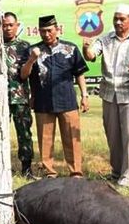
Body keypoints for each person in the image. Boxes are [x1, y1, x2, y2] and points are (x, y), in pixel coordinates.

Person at [82, 5, 129, 187]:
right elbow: (91, 56)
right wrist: (86, 47)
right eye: (116, 18)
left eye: (122, 19)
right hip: (109, 94)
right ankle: (116, 171)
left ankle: (127, 177)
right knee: (113, 136)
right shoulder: (105, 40)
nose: (118, 22)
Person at [20, 15, 89, 178]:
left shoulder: (70, 48)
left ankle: (76, 172)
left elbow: (79, 73)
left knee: (72, 137)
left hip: (67, 100)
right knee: (45, 139)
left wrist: (85, 95)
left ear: (57, 30)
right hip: (43, 101)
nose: (46, 34)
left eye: (49, 30)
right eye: (42, 31)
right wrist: (31, 59)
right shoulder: (33, 50)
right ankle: (49, 171)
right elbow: (23, 75)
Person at [1, 12, 34, 179]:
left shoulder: (25, 47)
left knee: (24, 133)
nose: (7, 28)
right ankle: (0, 167)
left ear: (17, 26)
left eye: (10, 25)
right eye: (4, 25)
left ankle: (26, 168)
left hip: (20, 97)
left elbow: (30, 75)